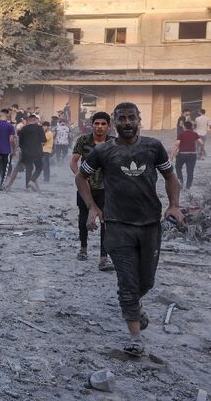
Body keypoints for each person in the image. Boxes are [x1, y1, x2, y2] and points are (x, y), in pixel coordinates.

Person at [77, 102, 184, 357]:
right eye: (121, 118)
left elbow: (170, 176)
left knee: (146, 281)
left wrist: (175, 205)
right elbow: (81, 177)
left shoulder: (153, 147)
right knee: (127, 281)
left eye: (131, 118)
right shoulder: (103, 152)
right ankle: (135, 338)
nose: (127, 122)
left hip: (149, 225)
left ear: (139, 120)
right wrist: (92, 207)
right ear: (114, 122)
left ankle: (135, 304)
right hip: (117, 226)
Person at [70, 111, 115, 270]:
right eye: (97, 124)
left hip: (106, 189)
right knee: (83, 218)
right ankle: (83, 248)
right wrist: (79, 177)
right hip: (86, 188)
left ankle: (103, 257)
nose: (100, 127)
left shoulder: (114, 143)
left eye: (103, 124)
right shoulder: (83, 140)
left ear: (109, 126)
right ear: (92, 125)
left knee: (105, 221)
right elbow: (74, 161)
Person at [16, 114, 46, 192]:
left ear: (29, 120)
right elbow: (43, 140)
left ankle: (27, 187)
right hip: (37, 151)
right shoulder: (39, 128)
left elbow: (20, 141)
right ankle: (32, 181)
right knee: (39, 167)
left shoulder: (24, 128)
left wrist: (23, 149)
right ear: (36, 120)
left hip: (26, 152)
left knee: (29, 169)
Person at [171, 120, 202, 190]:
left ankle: (180, 181)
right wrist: (202, 151)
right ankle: (188, 186)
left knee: (178, 167)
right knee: (190, 170)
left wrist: (172, 154)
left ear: (184, 126)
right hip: (192, 154)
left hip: (182, 154)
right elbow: (201, 142)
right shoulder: (194, 134)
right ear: (191, 127)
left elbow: (177, 144)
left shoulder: (181, 134)